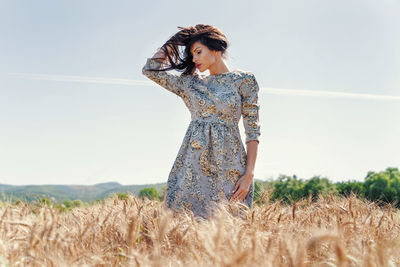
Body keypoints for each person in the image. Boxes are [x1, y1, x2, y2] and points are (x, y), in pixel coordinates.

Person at [142, 24, 260, 219]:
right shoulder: (190, 84)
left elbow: (253, 131)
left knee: (230, 231)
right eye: (192, 54)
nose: (194, 59)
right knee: (184, 228)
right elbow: (150, 70)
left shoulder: (244, 81)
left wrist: (249, 175)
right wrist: (172, 43)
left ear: (216, 48)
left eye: (198, 52)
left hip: (230, 168)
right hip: (192, 168)